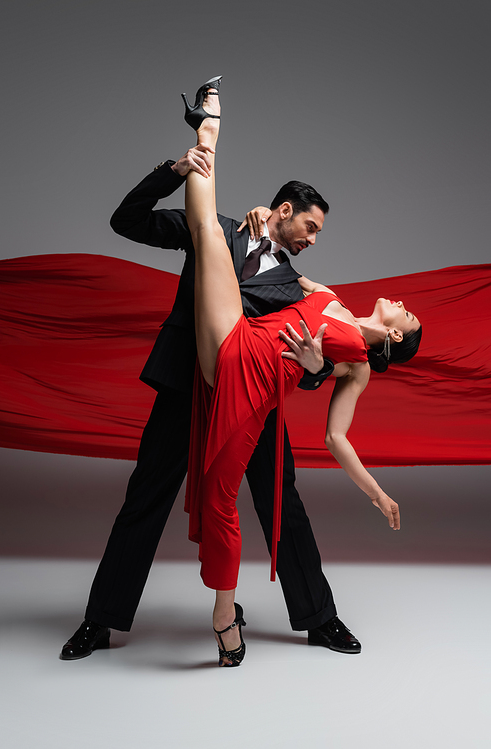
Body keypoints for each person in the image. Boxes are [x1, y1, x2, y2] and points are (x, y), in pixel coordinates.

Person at [61, 82, 362, 661]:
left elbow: (316, 346)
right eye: (312, 228)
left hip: (251, 399)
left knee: (282, 500)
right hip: (184, 384)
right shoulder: (215, 229)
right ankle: (100, 621)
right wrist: (177, 168)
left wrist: (318, 371)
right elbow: (126, 221)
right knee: (144, 496)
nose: (314, 240)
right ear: (284, 211)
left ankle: (319, 618)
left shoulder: (297, 286)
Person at [180, 77, 422, 666]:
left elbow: (337, 438)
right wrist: (263, 220)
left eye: (408, 318)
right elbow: (279, 273)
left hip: (251, 383)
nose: (403, 304)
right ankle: (208, 127)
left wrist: (378, 495)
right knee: (209, 230)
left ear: (393, 336)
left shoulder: (357, 366)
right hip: (238, 336)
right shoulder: (331, 294)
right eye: (311, 226)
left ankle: (226, 614)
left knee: (225, 496)